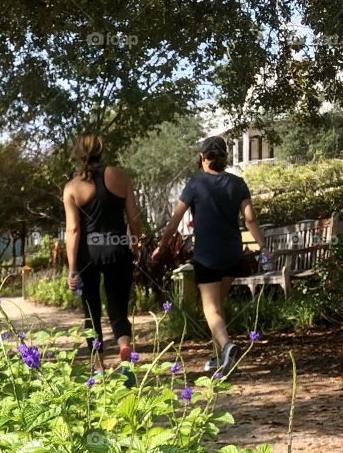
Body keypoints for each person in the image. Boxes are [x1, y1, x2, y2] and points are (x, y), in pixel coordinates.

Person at [151, 135, 270, 371]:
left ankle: (226, 347)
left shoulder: (195, 185)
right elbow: (250, 220)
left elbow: (175, 220)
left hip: (207, 256)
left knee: (210, 308)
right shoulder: (238, 184)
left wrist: (162, 247)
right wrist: (263, 246)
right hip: (232, 255)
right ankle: (221, 360)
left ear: (202, 158)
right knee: (219, 306)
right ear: (225, 158)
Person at [63, 133, 144, 373]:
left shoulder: (72, 187)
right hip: (118, 249)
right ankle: (124, 351)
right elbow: (134, 217)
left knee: (91, 311)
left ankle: (97, 368)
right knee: (118, 309)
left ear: (78, 154)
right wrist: (136, 244)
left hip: (88, 255)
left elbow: (73, 229)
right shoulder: (120, 176)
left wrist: (71, 268)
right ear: (102, 151)